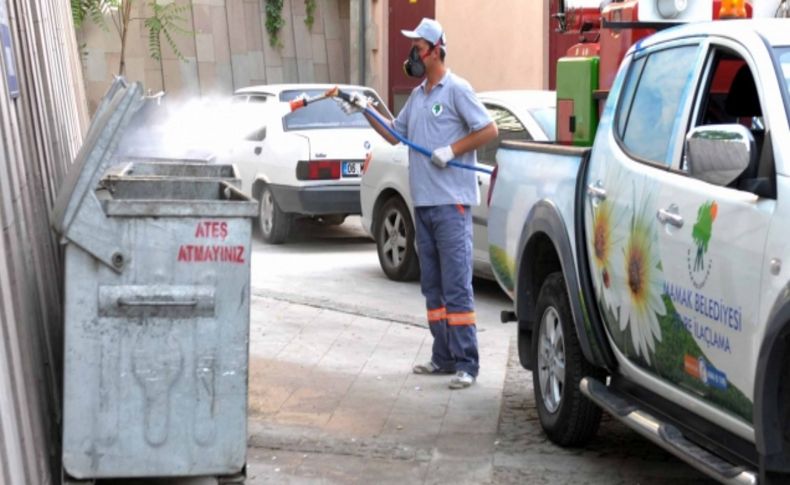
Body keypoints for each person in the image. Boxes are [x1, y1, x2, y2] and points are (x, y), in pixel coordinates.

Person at [338, 18, 498, 389]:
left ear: (435, 50)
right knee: (433, 287)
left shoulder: (456, 90)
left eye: (418, 48)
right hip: (423, 204)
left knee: (457, 286)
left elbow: (489, 129)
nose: (413, 54)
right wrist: (366, 109)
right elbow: (396, 135)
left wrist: (452, 149)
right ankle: (442, 357)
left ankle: (467, 364)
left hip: (451, 204)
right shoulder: (419, 96)